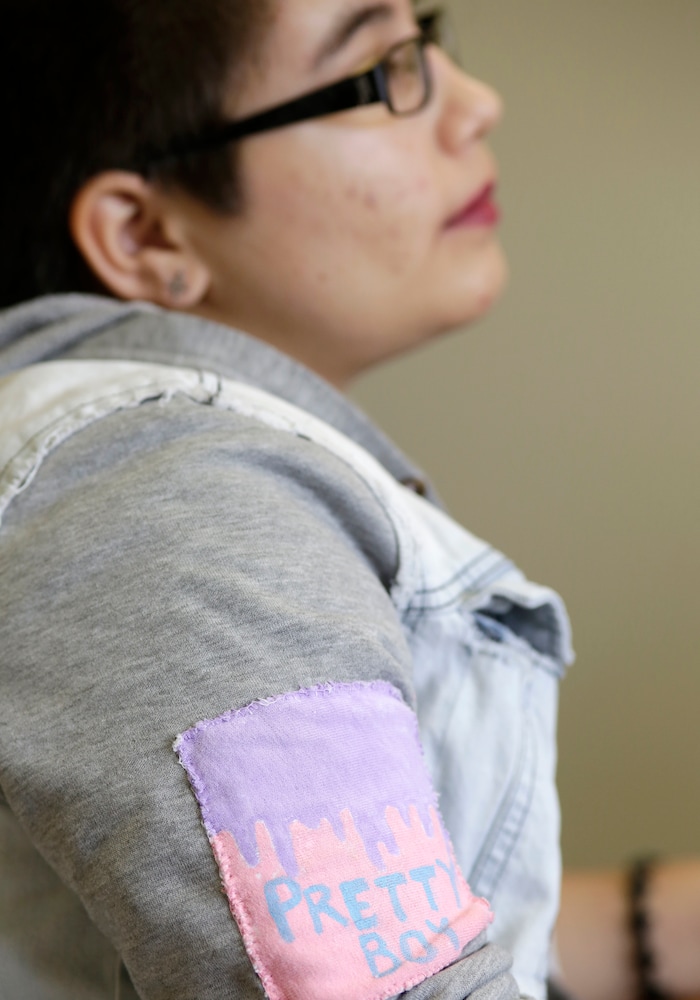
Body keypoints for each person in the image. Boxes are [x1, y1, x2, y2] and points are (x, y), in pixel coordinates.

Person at [0, 3, 695, 1000]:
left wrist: (655, 920)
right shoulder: (185, 514)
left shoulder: (135, 475)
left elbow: (392, 941)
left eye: (431, 38)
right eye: (383, 70)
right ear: (147, 234)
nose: (476, 105)